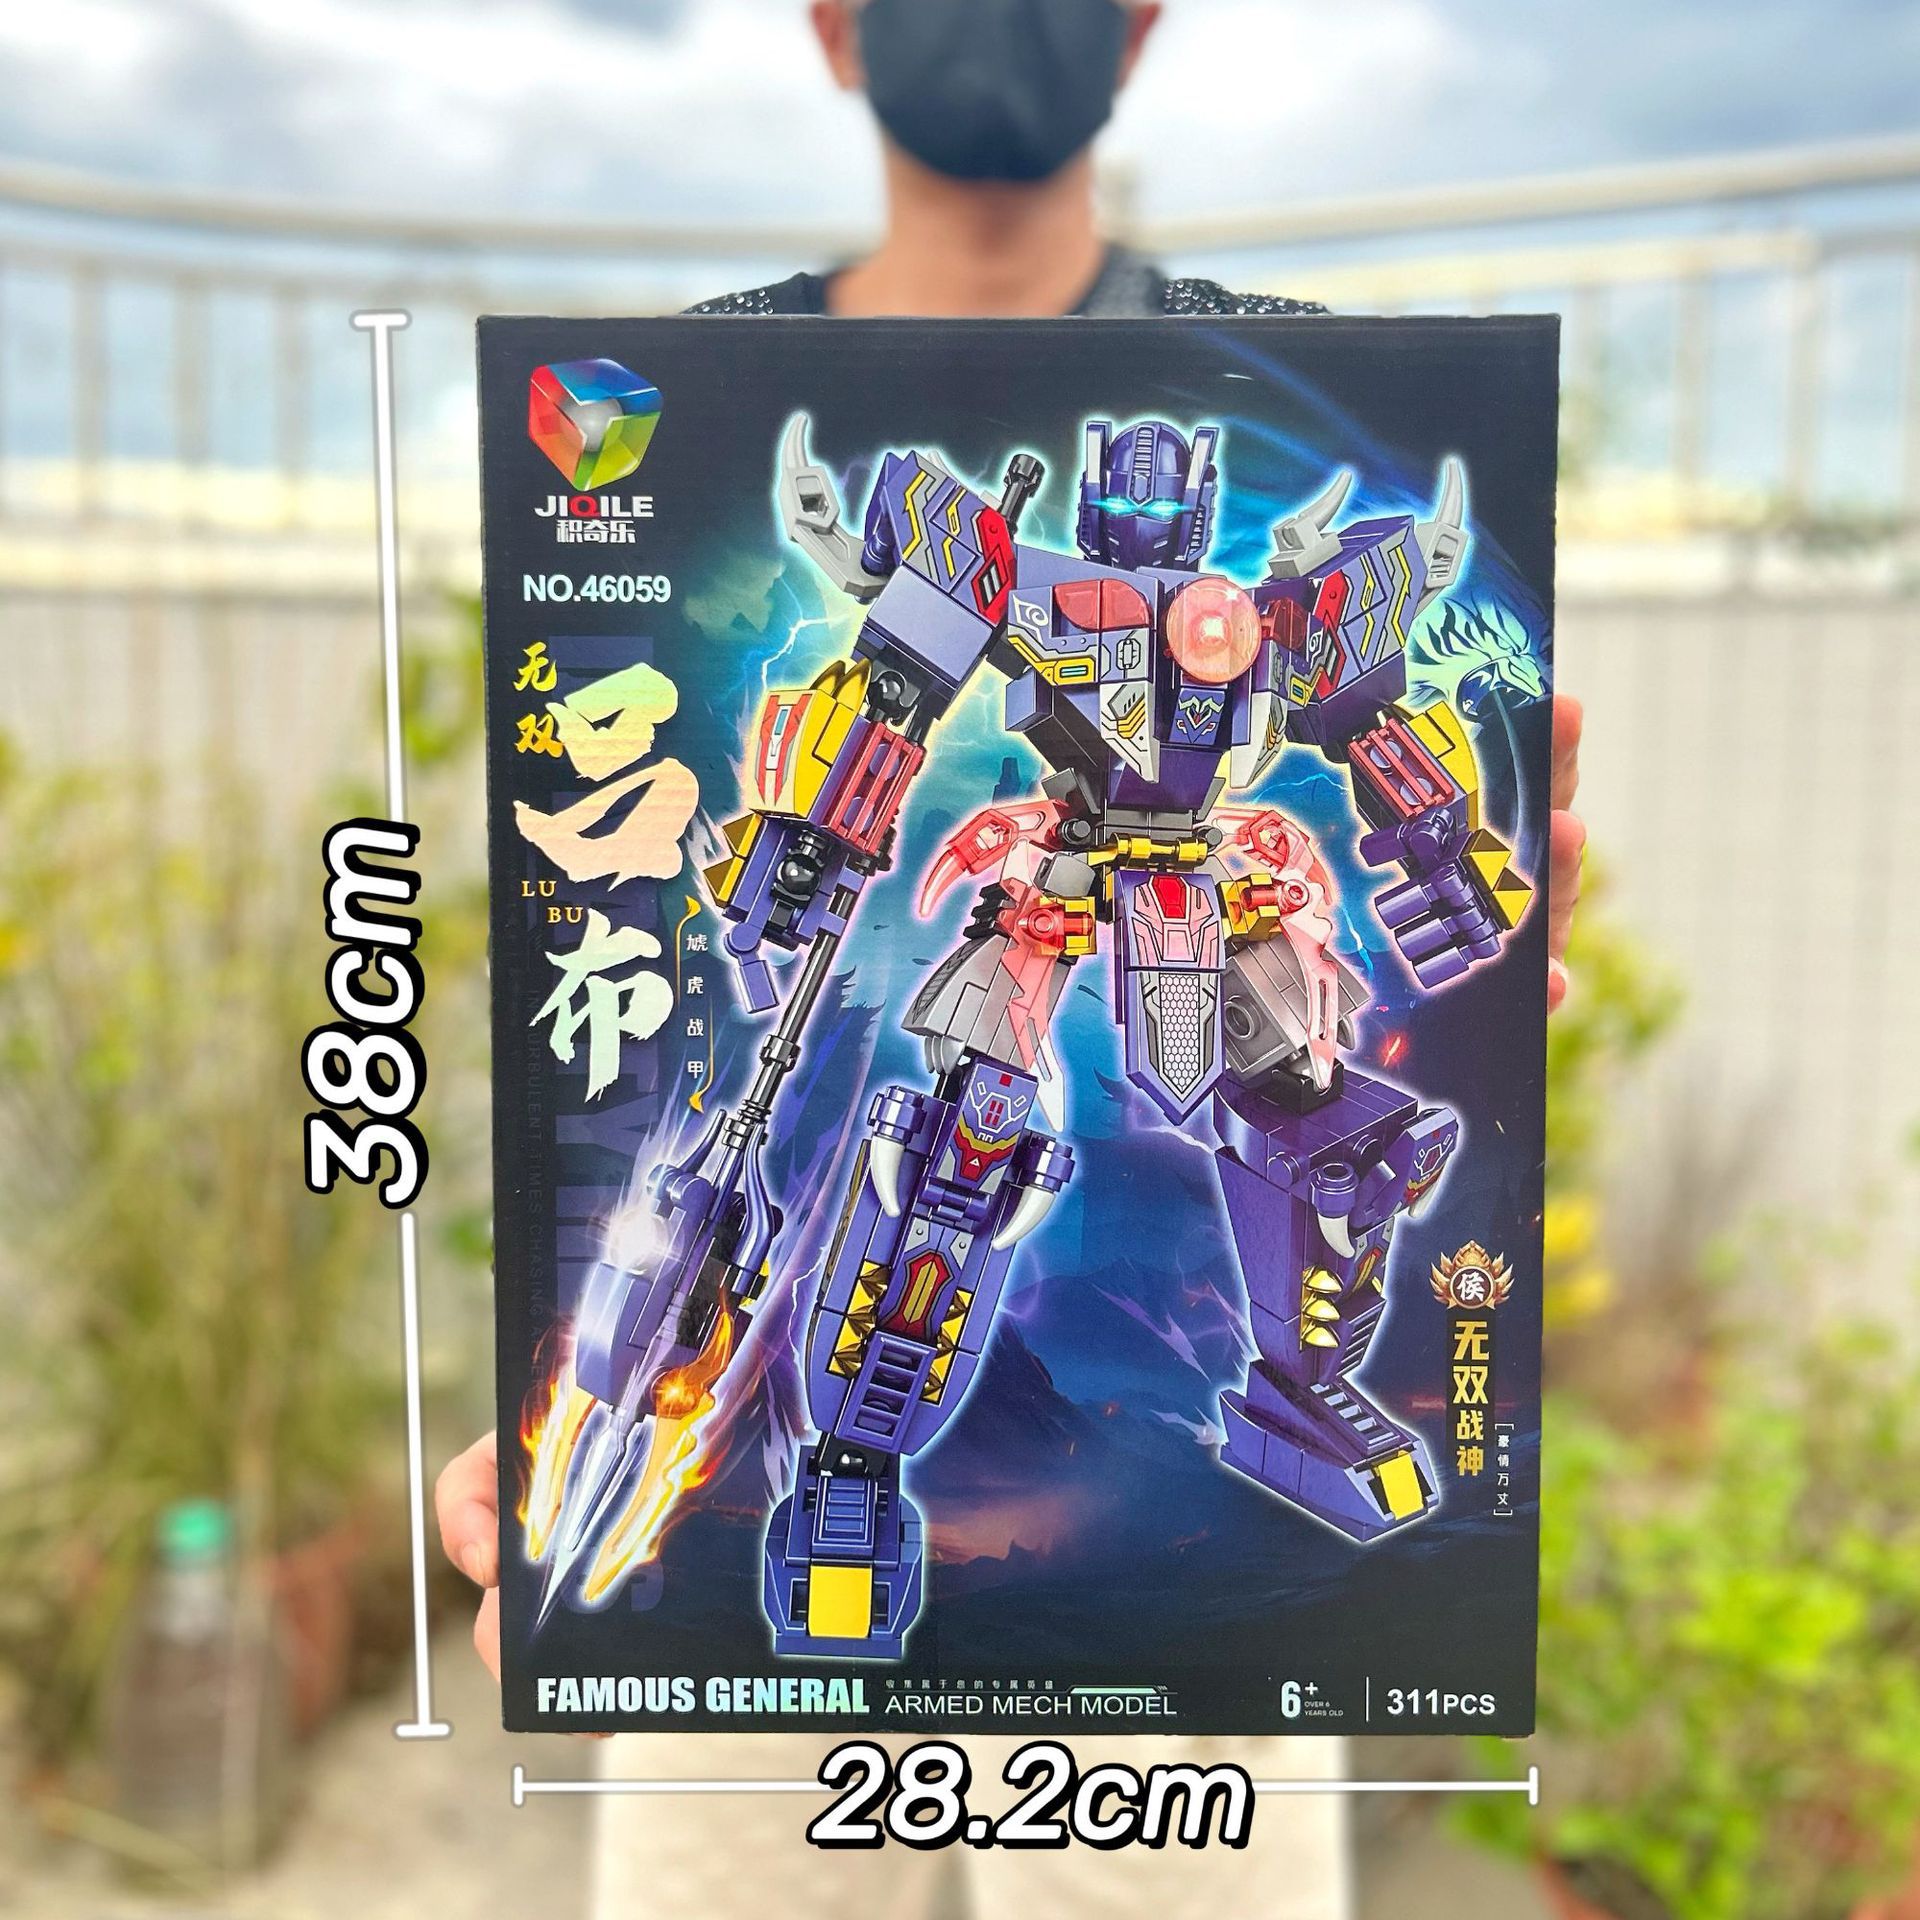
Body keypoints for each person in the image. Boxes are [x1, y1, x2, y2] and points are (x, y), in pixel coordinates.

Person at [441, 3, 1585, 1913]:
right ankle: (851, 1472)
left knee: (1334, 1140)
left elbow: (1378, 714)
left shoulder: (1279, 556)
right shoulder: (927, 519)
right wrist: (806, 855)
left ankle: (1304, 1393)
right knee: (952, 1167)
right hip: (1050, 882)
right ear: (830, 28)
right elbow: (885, 690)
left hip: (1212, 896)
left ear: (1142, 26)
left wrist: (1462, 868)